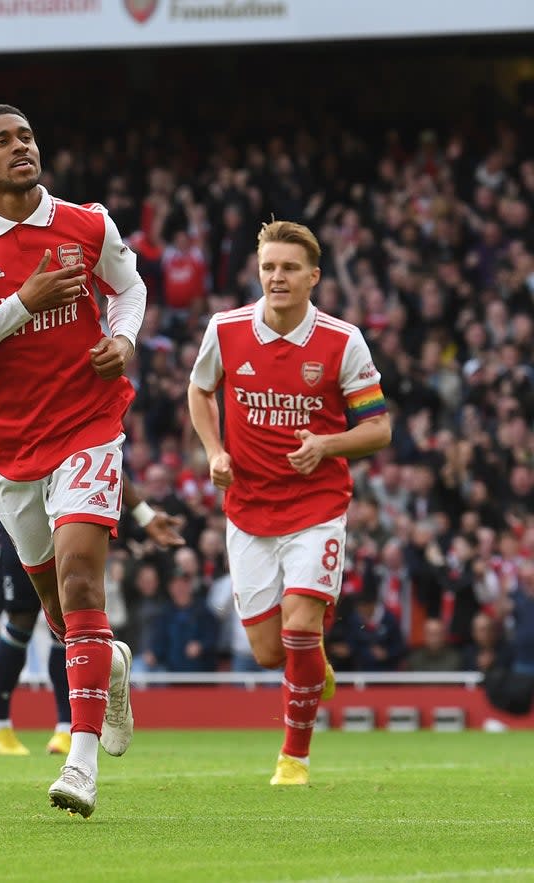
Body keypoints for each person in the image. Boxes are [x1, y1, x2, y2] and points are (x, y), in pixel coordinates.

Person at [0, 104, 149, 817]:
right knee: (56, 607)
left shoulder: (86, 222)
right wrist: (23, 302)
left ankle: (78, 763)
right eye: (2, 141)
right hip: (7, 448)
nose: (22, 147)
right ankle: (107, 664)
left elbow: (131, 288)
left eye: (27, 136)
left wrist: (125, 340)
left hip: (88, 423)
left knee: (81, 578)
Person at [187, 219, 391, 786]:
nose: (277, 277)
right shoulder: (225, 329)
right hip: (249, 509)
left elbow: (378, 429)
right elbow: (200, 390)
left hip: (316, 506)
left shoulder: (342, 340)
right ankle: (313, 658)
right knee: (268, 651)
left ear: (313, 277)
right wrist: (214, 450)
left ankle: (293, 758)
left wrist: (326, 443)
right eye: (269, 268)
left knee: (299, 628)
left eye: (289, 268)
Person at [0, 423, 183, 757]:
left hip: (67, 522)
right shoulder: (1, 406)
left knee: (70, 617)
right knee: (21, 621)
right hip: (17, 529)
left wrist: (143, 514)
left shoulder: (69, 409)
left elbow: (104, 459)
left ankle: (64, 726)